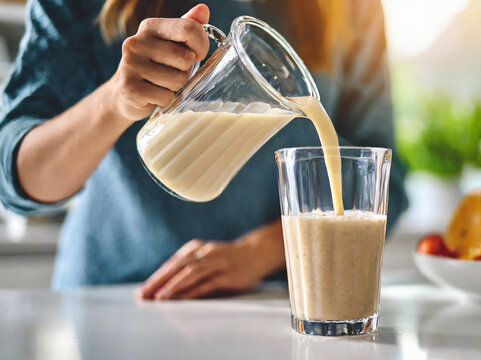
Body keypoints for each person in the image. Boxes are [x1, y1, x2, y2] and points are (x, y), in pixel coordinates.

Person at [0, 0, 407, 300]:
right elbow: (17, 178)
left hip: (273, 306)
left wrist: (257, 253)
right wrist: (115, 101)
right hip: (114, 300)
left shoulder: (350, 7)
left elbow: (382, 177)